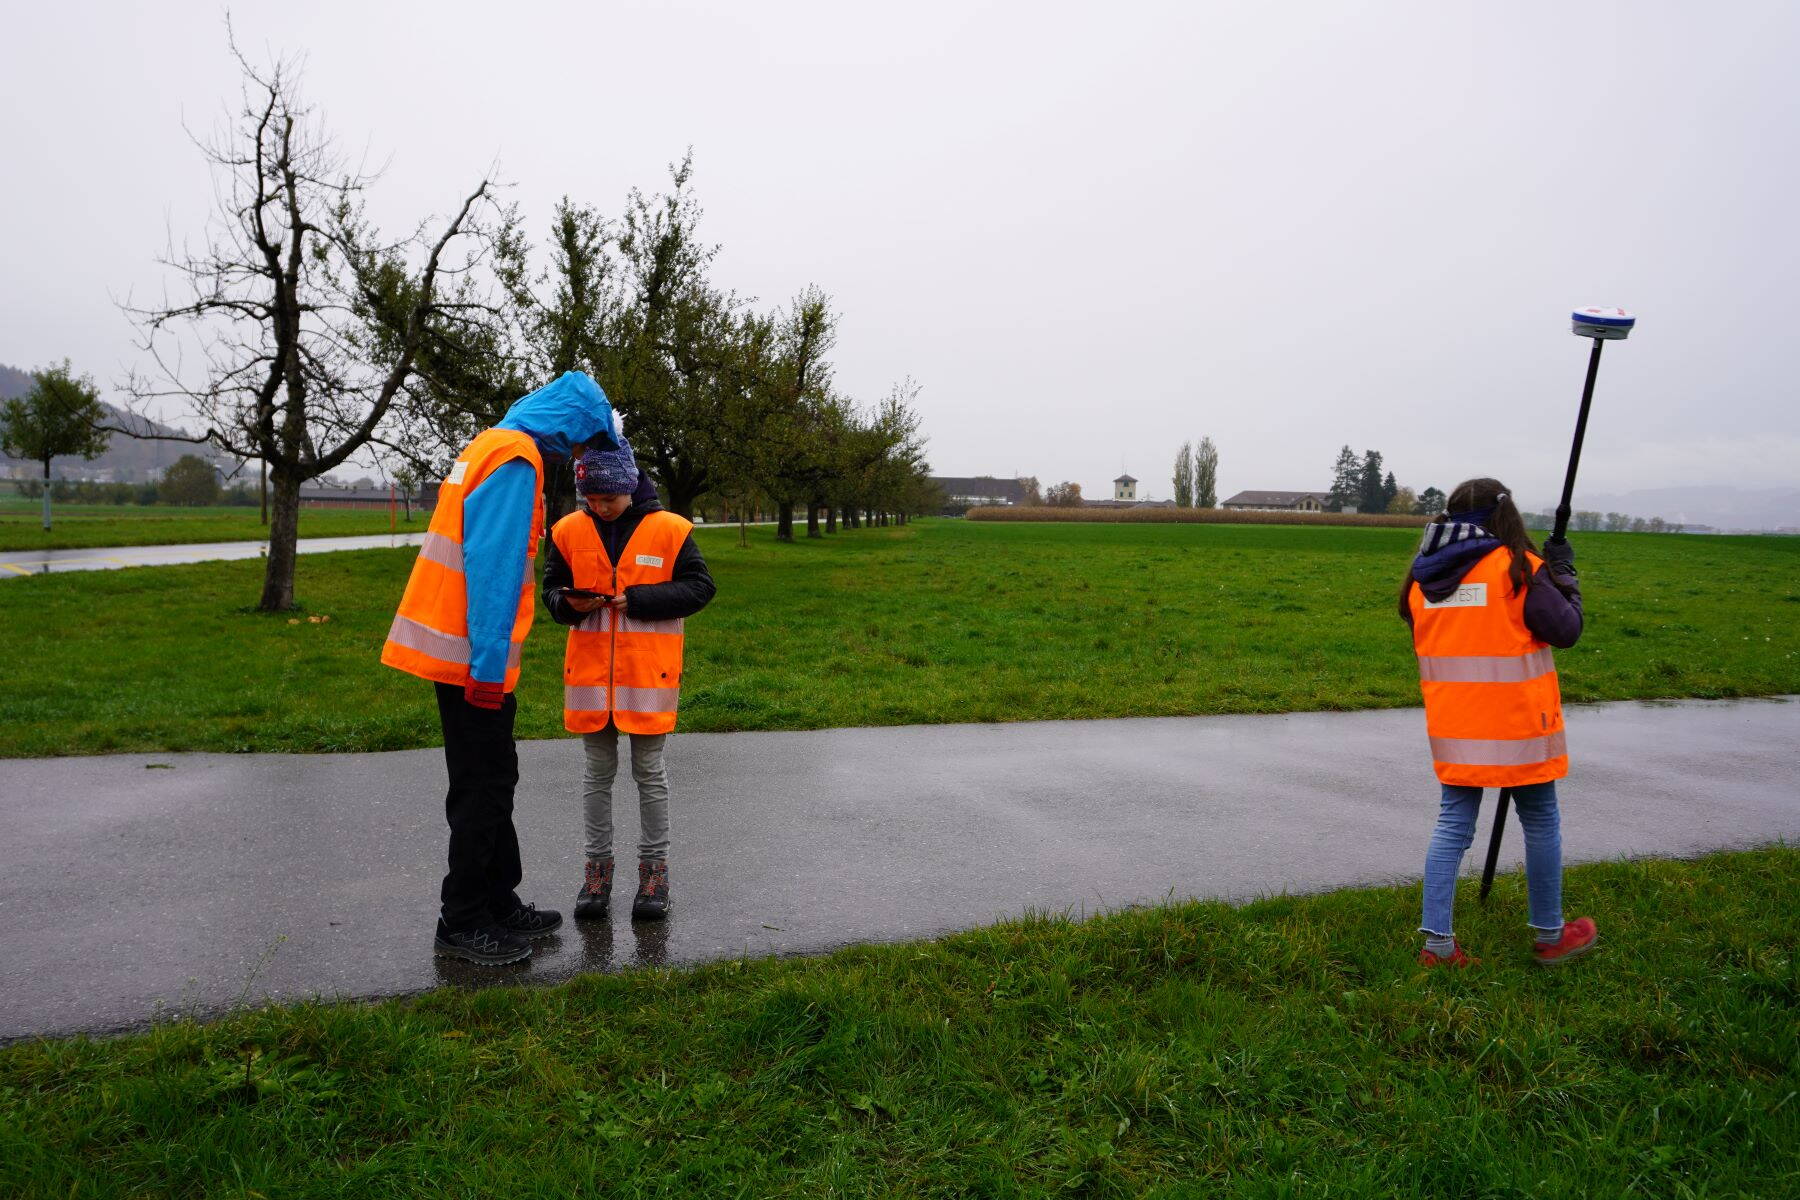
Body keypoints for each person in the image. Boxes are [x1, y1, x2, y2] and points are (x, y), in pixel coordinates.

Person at [381, 371, 616, 967]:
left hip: (464, 652)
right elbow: (493, 567)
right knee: (481, 789)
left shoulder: (491, 443)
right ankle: (462, 919)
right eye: (586, 443)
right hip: (470, 658)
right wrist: (487, 668)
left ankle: (497, 899)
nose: (581, 458)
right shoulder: (515, 461)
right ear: (570, 427)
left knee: (495, 778)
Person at [1399, 477, 1598, 968]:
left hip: (1456, 726)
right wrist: (1563, 573)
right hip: (1519, 726)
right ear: (1503, 514)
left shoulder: (1421, 580)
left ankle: (1437, 946)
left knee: (1451, 826)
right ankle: (1552, 935)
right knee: (1540, 820)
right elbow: (1566, 629)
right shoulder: (1519, 570)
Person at [542, 435, 715, 921]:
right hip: (591, 681)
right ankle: (596, 876)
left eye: (608, 499)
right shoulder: (569, 529)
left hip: (647, 679)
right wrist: (566, 605)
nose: (600, 508)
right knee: (596, 777)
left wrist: (637, 601)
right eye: (591, 500)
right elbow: (552, 590)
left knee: (649, 776)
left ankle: (654, 876)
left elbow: (701, 588)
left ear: (630, 485)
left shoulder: (671, 530)